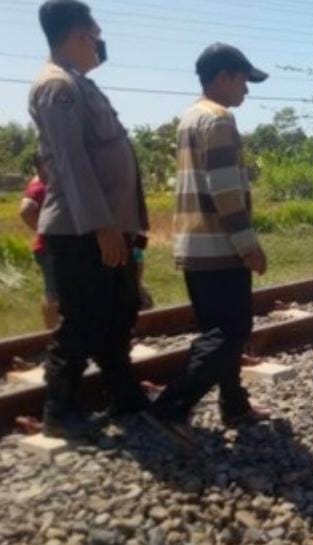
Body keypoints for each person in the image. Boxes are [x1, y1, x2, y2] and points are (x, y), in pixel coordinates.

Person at [29, 0, 150, 438]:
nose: (99, 44)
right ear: (79, 35)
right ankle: (59, 411)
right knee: (81, 320)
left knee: (119, 313)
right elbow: (74, 163)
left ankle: (124, 395)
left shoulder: (78, 84)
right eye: (95, 36)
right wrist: (102, 227)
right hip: (80, 232)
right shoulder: (56, 87)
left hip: (106, 229)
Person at [143, 43, 270, 448]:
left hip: (193, 244)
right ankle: (171, 407)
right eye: (243, 81)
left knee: (218, 329)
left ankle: (234, 404)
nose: (246, 92)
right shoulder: (218, 120)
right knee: (232, 330)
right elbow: (226, 191)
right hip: (219, 246)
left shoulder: (188, 118)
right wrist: (248, 244)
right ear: (223, 77)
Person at [19, 154, 59, 329]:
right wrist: (44, 231)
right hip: (49, 248)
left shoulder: (46, 181)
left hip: (51, 247)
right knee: (53, 294)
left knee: (56, 292)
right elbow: (26, 210)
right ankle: (52, 334)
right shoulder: (39, 185)